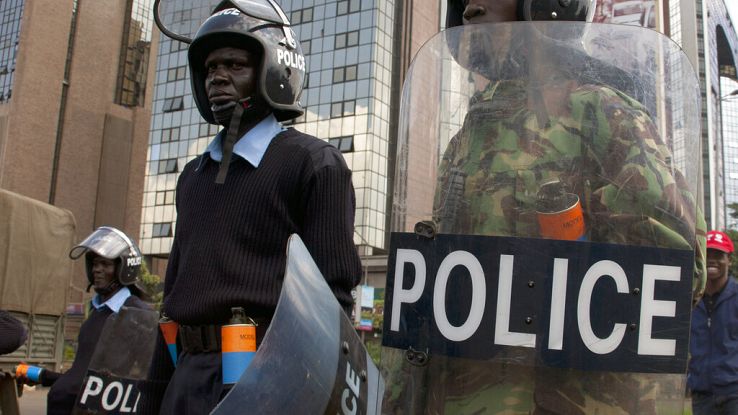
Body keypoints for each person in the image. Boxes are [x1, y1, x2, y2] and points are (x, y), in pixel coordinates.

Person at [424, 0, 706, 413]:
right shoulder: (468, 137)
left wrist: (569, 270)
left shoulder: (604, 115)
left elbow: (678, 273)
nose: (470, 8)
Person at [141, 1, 362, 413]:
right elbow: (172, 299)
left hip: (266, 382)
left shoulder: (314, 163)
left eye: (234, 64)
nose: (217, 76)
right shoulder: (192, 176)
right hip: (185, 378)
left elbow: (333, 307)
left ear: (275, 70)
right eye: (210, 67)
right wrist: (152, 399)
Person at [13, 226, 150, 415]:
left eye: (105, 264)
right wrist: (44, 375)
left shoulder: (138, 316)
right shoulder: (98, 313)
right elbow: (83, 377)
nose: (97, 270)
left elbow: (144, 382)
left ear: (124, 268)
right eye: (94, 264)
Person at [688, 230, 738, 415]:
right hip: (701, 394)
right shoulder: (689, 299)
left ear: (729, 260)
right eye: (707, 255)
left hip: (734, 393)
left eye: (719, 255)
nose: (712, 260)